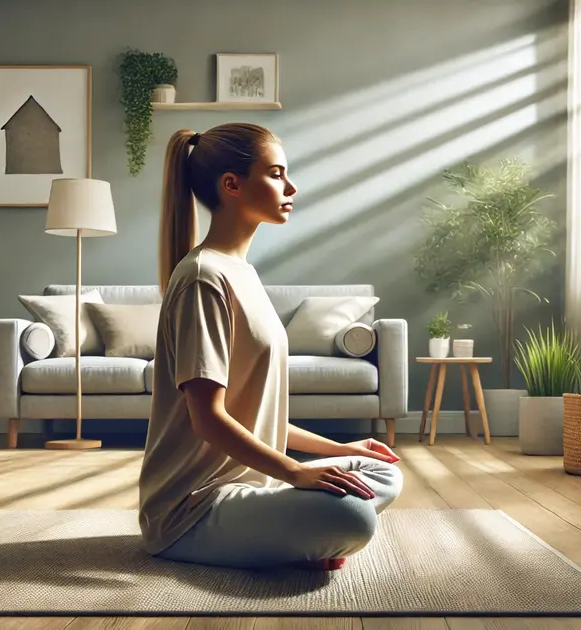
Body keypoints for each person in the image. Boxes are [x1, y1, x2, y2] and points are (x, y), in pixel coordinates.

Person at [138, 122, 404, 571]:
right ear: (232, 185)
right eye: (277, 173)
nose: (291, 185)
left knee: (383, 472)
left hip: (253, 489)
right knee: (354, 517)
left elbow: (258, 420)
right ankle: (304, 535)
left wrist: (341, 449)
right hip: (192, 509)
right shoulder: (203, 277)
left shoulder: (244, 273)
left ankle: (297, 534)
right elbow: (208, 421)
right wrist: (296, 473)